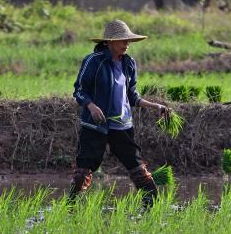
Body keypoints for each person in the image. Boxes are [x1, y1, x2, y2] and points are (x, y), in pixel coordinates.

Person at [69, 19, 170, 207]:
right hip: (96, 125)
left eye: (128, 41)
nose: (127, 45)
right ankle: (72, 207)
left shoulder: (129, 63)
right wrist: (91, 106)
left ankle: (153, 207)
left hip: (122, 125)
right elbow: (79, 91)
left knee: (137, 168)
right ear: (110, 42)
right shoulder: (94, 61)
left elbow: (132, 96)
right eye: (123, 41)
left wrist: (156, 106)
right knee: (84, 170)